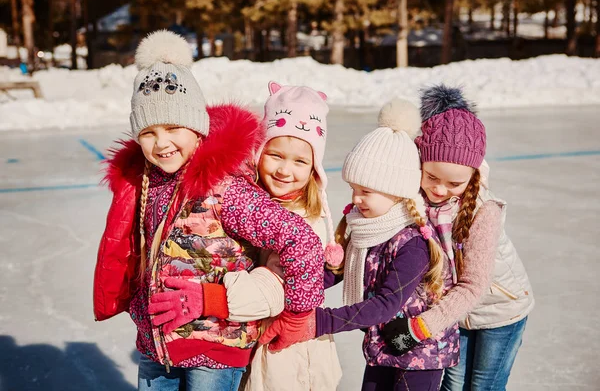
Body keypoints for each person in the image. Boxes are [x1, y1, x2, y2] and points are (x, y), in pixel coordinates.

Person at [92, 30, 326, 391]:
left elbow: (302, 241)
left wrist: (297, 314)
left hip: (216, 348)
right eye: (149, 132)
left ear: (198, 129)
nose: (162, 142)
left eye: (173, 128)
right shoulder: (143, 184)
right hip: (157, 343)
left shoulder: (226, 188)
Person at [260, 99, 460, 391]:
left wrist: (318, 321)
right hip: (383, 345)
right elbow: (335, 272)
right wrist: (289, 281)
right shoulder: (364, 229)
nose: (355, 199)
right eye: (353, 189)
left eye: (365, 191)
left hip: (421, 355)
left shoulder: (412, 244)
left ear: (396, 191)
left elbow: (385, 305)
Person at [382, 85, 535, 391]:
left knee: (482, 387)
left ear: (473, 175)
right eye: (431, 177)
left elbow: (473, 285)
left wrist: (418, 328)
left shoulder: (483, 211)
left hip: (499, 310)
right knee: (451, 385)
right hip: (452, 312)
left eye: (454, 183)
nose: (439, 190)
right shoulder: (416, 197)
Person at [218, 81, 343, 390]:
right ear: (258, 152)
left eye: (300, 161)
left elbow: (274, 288)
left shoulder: (303, 221)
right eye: (275, 155)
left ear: (314, 167)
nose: (285, 170)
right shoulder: (251, 204)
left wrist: (211, 297)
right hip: (258, 337)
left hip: (287, 350)